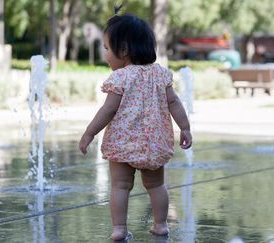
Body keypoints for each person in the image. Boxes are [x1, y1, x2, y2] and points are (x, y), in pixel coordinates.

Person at [79, 6, 192, 241]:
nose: (106, 55)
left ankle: (119, 229)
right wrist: (185, 127)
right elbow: (174, 102)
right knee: (157, 186)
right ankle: (161, 225)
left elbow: (108, 110)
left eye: (108, 49)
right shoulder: (160, 74)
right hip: (154, 143)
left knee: (120, 186)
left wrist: (89, 132)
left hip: (123, 143)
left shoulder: (120, 77)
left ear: (124, 50)